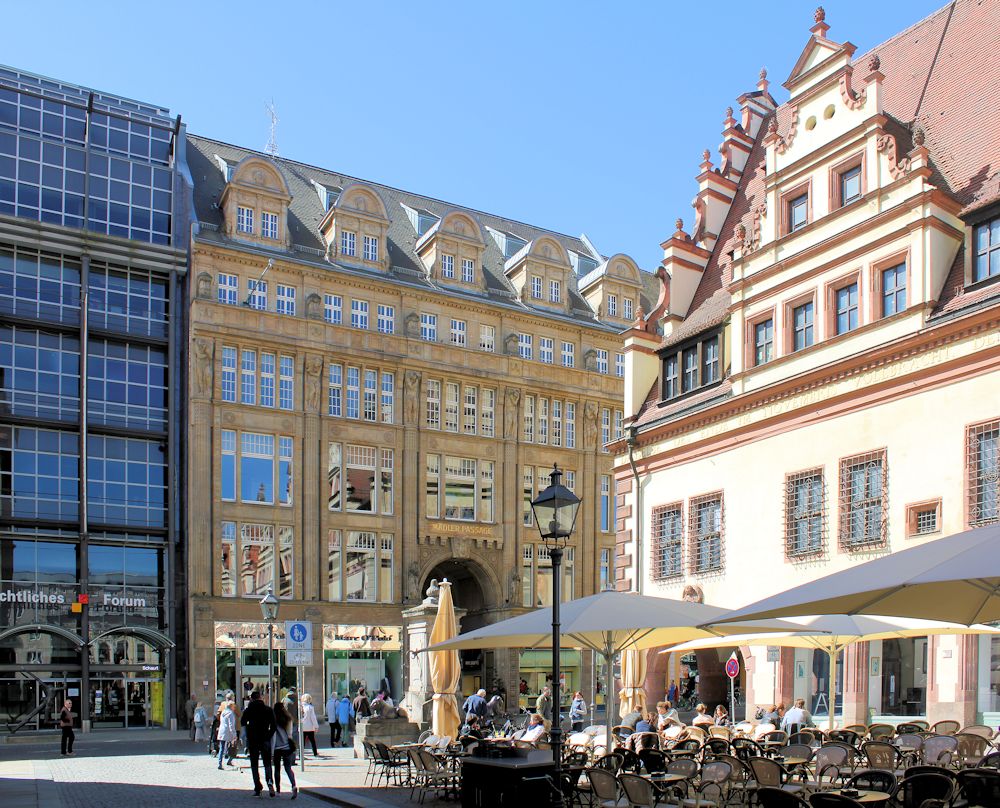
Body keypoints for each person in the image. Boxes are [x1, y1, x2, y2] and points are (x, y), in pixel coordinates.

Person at [241, 690, 276, 797]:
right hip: (265, 738)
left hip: (253, 740)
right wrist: (268, 735)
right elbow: (274, 726)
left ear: (252, 699)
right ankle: (270, 782)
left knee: (254, 764)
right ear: (260, 698)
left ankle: (258, 787)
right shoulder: (268, 709)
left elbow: (243, 722)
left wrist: (248, 731)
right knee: (267, 763)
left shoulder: (249, 710)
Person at [272, 701, 298, 799]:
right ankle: (293, 785)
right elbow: (290, 734)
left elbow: (273, 736)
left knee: (277, 769)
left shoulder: (274, 720)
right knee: (288, 768)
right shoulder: (288, 719)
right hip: (287, 746)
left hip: (277, 748)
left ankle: (278, 790)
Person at [216, 699, 237, 769]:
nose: (234, 708)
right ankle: (230, 760)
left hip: (222, 731)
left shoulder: (223, 712)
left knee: (222, 748)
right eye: (234, 706)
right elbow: (231, 725)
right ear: (231, 706)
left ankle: (219, 763)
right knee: (233, 747)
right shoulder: (230, 713)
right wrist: (234, 735)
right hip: (228, 732)